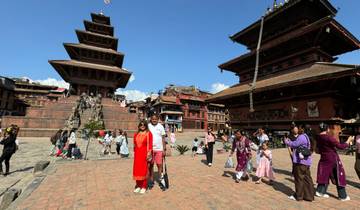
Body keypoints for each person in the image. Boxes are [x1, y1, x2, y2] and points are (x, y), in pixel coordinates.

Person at [315, 122, 352, 201]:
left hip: (324, 158)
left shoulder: (318, 137)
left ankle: (320, 191)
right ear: (327, 129)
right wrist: (348, 141)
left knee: (325, 174)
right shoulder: (328, 138)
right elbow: (340, 146)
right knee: (339, 175)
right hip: (332, 158)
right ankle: (343, 196)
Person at [284, 124, 314, 201]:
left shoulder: (302, 137)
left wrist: (287, 141)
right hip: (307, 161)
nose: (298, 129)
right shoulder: (308, 137)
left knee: (299, 179)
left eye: (299, 128)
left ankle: (299, 196)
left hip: (300, 162)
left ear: (303, 129)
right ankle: (309, 196)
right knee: (307, 179)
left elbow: (294, 144)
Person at [133, 120, 153, 194]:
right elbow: (134, 145)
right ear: (139, 126)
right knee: (137, 169)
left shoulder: (149, 134)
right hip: (137, 155)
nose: (142, 126)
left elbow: (150, 144)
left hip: (145, 155)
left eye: (144, 124)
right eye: (141, 125)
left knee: (144, 170)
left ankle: (144, 186)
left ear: (146, 126)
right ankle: (138, 185)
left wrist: (149, 153)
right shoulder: (136, 134)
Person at [148, 114, 166, 189]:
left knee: (159, 165)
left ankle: (161, 180)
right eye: (153, 119)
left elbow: (163, 138)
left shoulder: (161, 126)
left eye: (155, 119)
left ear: (158, 119)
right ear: (150, 119)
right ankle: (151, 180)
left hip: (159, 149)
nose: (154, 120)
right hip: (150, 150)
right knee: (151, 165)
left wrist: (164, 149)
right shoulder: (148, 126)